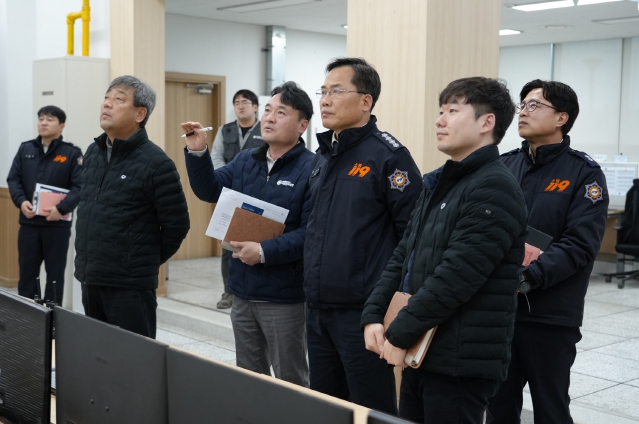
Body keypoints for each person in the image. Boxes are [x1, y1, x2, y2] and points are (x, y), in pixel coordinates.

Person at [361, 77, 528, 424]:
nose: (439, 120)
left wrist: (399, 332)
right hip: (423, 350)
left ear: (487, 122)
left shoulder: (494, 186)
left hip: (458, 361)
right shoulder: (439, 182)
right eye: (440, 111)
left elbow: (457, 277)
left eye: (452, 111)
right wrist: (374, 314)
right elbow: (403, 255)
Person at [303, 57, 422, 413]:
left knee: (371, 408)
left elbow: (413, 237)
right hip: (318, 309)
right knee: (325, 405)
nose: (325, 100)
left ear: (365, 101)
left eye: (336, 91)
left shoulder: (389, 157)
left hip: (363, 311)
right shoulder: (323, 156)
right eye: (323, 91)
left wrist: (392, 306)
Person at [486, 80, 609, 424]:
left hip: (550, 315)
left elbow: (580, 245)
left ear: (561, 118)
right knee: (497, 408)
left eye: (534, 105)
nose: (523, 112)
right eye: (522, 105)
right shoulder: (504, 166)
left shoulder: (584, 173)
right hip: (499, 312)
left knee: (551, 409)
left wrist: (526, 277)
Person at [183, 81, 314, 387]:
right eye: (267, 110)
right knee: (249, 378)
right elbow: (209, 190)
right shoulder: (246, 160)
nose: (269, 117)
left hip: (284, 296)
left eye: (281, 112)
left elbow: (311, 233)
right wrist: (197, 151)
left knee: (290, 379)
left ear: (302, 125)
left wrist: (264, 251)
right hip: (242, 290)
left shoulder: (313, 168)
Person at [74, 75, 190, 339]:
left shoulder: (156, 163)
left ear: (140, 114)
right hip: (91, 277)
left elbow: (177, 225)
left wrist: (140, 261)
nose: (107, 104)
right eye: (106, 98)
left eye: (118, 99)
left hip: (130, 285)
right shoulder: (93, 153)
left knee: (135, 359)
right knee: (97, 353)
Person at [7, 105, 82, 304]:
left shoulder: (72, 153)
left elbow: (80, 186)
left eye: (49, 119)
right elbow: (13, 179)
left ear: (61, 125)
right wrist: (21, 201)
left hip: (56, 226)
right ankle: (26, 317)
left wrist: (61, 209)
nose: (43, 123)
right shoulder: (26, 149)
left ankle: (53, 318)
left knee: (55, 277)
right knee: (27, 275)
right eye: (41, 119)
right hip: (29, 224)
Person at [211, 89, 264, 309]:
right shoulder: (226, 130)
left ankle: (255, 289)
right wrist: (229, 180)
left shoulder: (265, 129)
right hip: (230, 196)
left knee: (258, 242)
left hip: (257, 196)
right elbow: (216, 157)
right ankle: (229, 291)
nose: (240, 106)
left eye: (245, 102)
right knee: (228, 247)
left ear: (255, 107)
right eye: (236, 103)